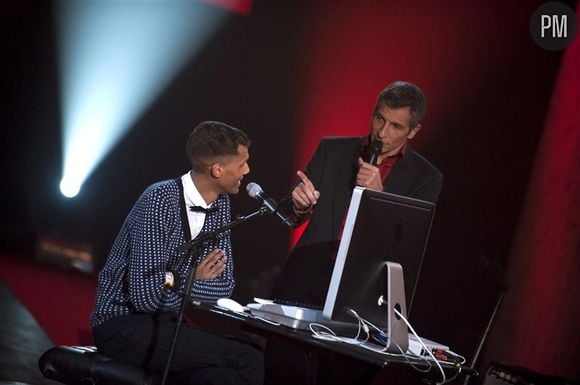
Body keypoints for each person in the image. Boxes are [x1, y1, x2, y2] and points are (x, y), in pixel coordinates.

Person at [266, 81, 443, 385]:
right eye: (379, 119)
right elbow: (287, 215)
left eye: (395, 126)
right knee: (283, 373)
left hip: (362, 297)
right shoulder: (333, 149)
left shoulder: (426, 178)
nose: (382, 132)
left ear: (413, 131)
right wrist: (299, 203)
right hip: (306, 280)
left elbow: (407, 248)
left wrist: (380, 198)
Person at [90, 121, 264, 385]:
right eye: (242, 164)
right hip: (122, 324)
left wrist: (171, 279)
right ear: (217, 169)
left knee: (225, 377)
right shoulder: (159, 199)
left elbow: (224, 286)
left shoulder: (221, 206)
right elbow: (145, 297)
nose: (248, 170)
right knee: (249, 358)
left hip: (169, 325)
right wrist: (190, 280)